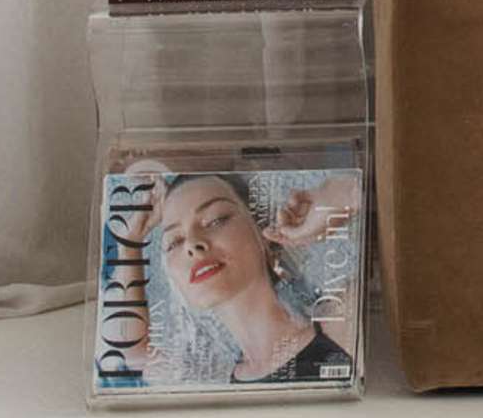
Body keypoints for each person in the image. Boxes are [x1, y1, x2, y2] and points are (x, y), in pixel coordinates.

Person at [104, 163, 359, 387]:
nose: (193, 244)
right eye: (174, 241)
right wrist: (130, 243)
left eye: (216, 220)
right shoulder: (213, 375)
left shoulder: (337, 320)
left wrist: (336, 195)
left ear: (264, 234)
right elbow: (130, 351)